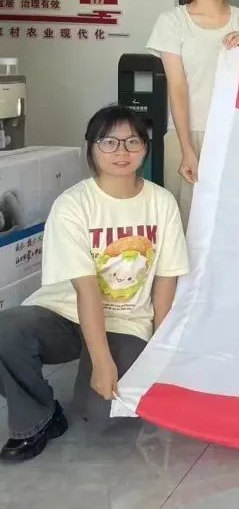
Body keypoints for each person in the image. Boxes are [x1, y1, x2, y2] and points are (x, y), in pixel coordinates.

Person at [0, 106, 189, 463]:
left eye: (132, 142)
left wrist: (160, 351)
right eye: (109, 142)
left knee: (102, 415)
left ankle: (95, 380)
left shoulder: (161, 203)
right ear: (91, 147)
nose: (121, 151)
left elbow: (167, 279)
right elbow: (86, 290)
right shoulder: (73, 204)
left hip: (127, 319)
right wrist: (102, 363)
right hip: (65, 312)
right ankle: (38, 417)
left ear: (145, 148)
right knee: (6, 332)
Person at [147, 0, 239, 226]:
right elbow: (177, 87)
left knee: (236, 221)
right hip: (188, 132)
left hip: (238, 133)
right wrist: (187, 149)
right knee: (187, 222)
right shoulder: (173, 21)